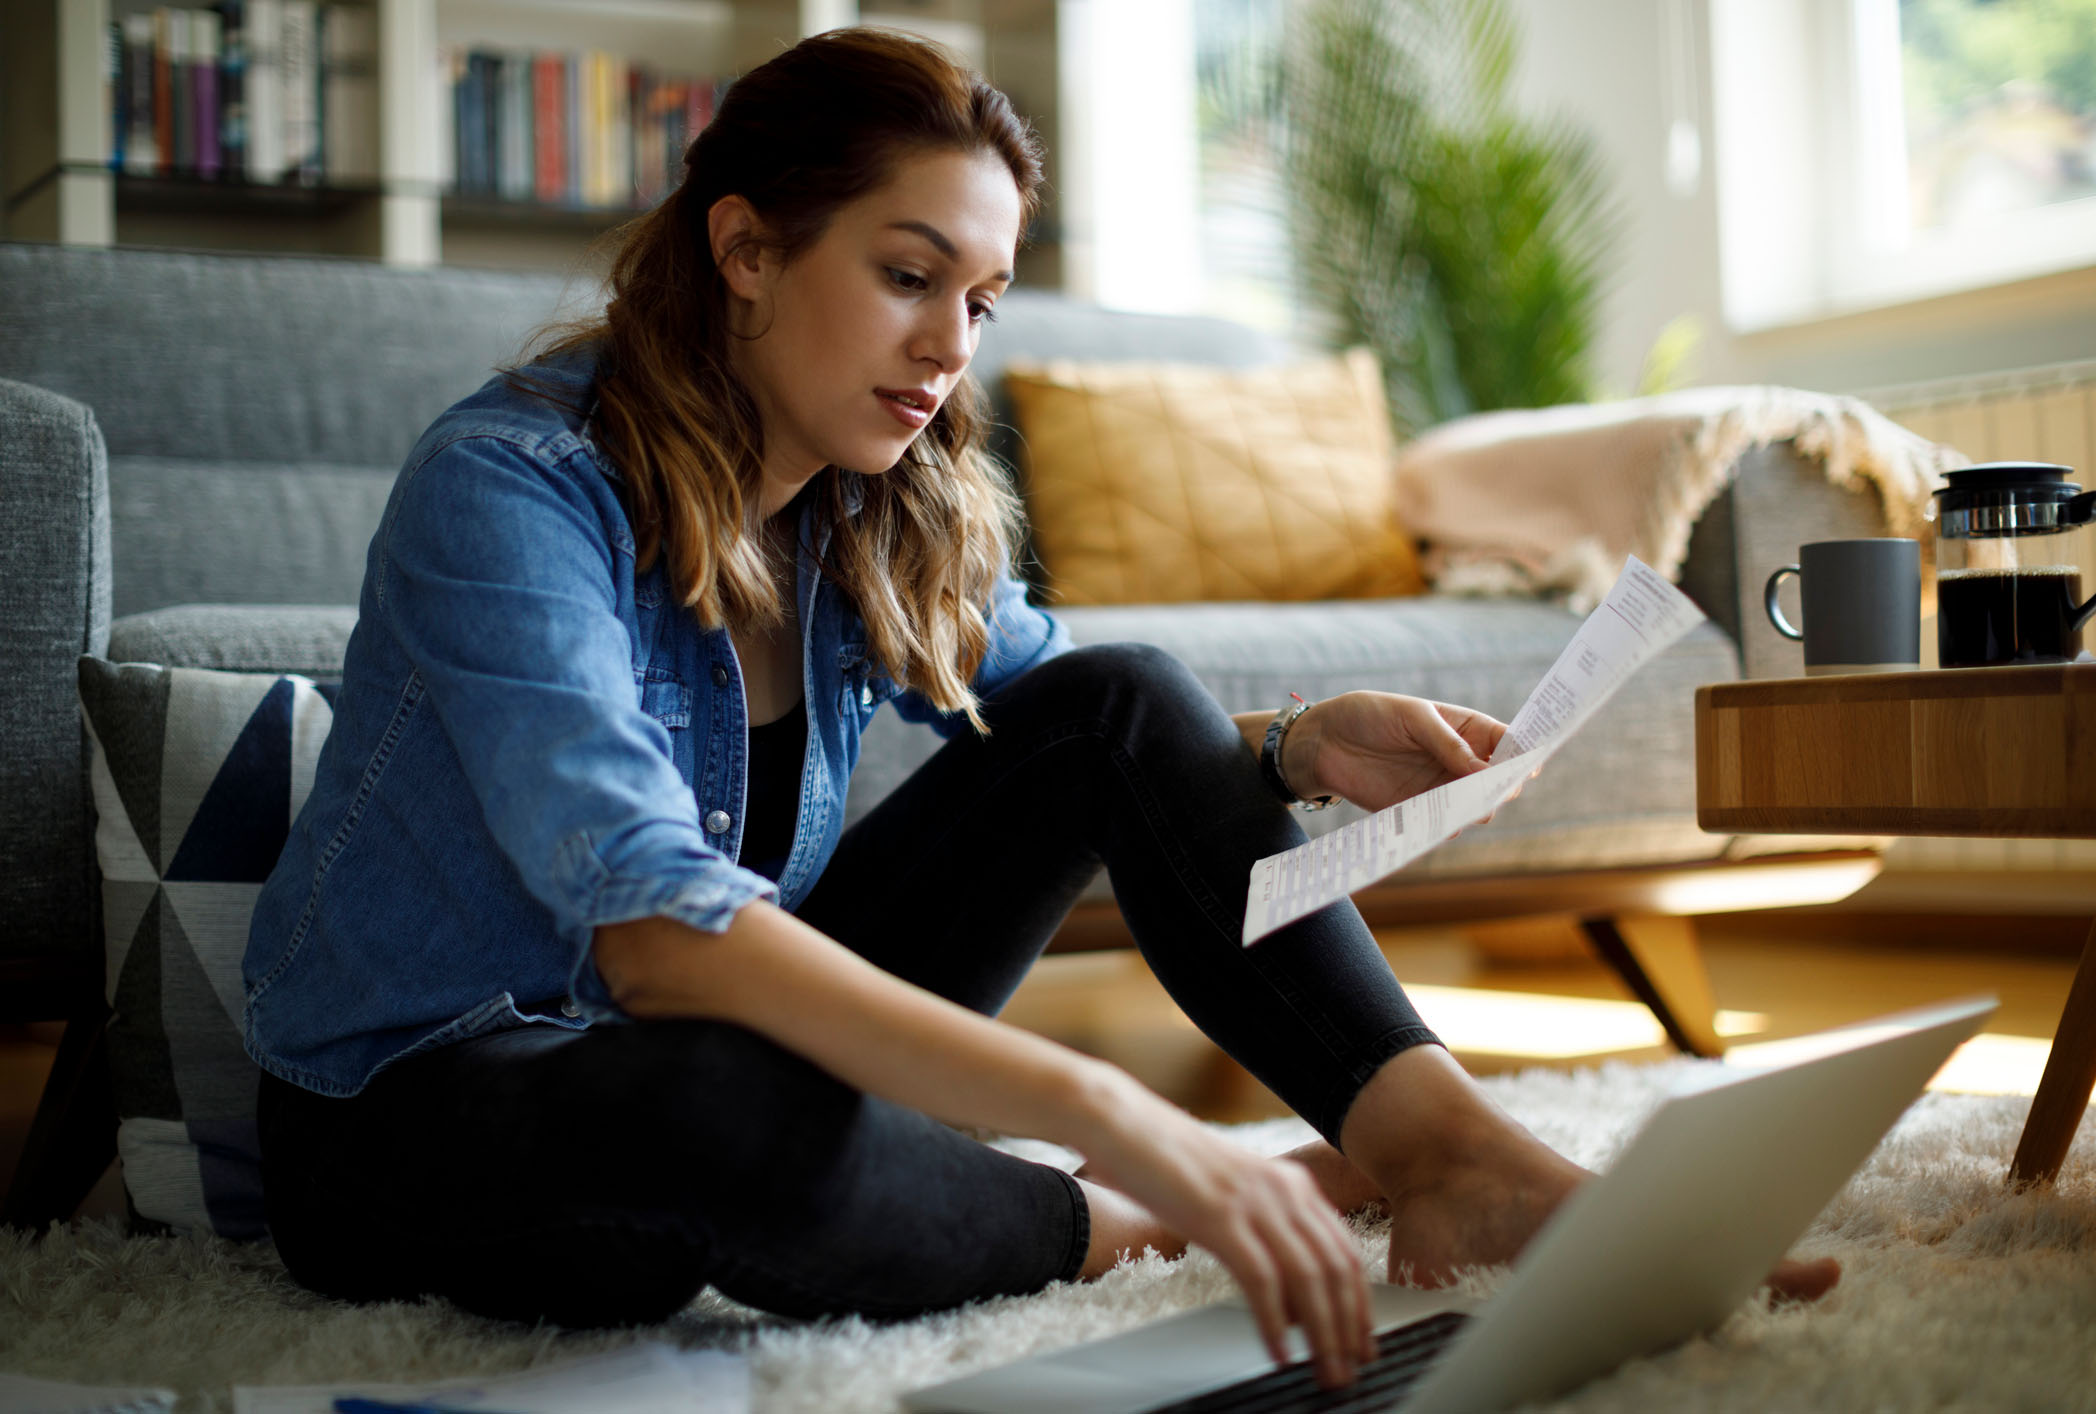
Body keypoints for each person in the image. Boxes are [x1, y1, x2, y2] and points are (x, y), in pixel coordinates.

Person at [243, 27, 1836, 1392]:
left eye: (983, 299)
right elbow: (652, 936)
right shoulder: (512, 488)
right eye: (907, 275)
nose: (949, 349)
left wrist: (1290, 746)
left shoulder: (859, 509)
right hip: (423, 1104)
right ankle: (1128, 1219)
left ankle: (1443, 1151)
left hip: (706, 1036)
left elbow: (1082, 720)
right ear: (742, 251)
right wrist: (1121, 1127)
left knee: (1126, 698)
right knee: (724, 1109)